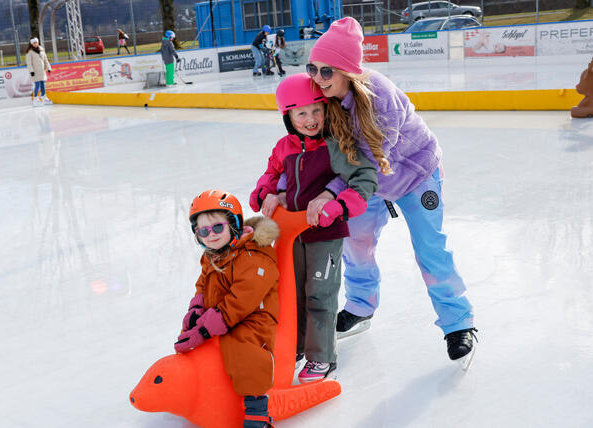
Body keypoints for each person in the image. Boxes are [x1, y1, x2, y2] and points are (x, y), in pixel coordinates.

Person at [305, 17, 477, 363]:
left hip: (415, 175)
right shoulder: (326, 99)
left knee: (430, 248)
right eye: (313, 68)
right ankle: (360, 307)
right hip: (372, 187)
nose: (317, 78)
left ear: (347, 71)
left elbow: (369, 162)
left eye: (327, 71)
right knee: (356, 240)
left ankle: (458, 323)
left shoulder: (379, 94)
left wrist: (331, 192)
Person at [249, 74, 377, 383]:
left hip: (325, 234)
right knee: (292, 294)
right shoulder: (284, 146)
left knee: (320, 295)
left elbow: (361, 179)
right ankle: (294, 346)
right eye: (301, 113)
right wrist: (267, 193)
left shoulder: (335, 143)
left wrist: (335, 205)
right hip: (290, 235)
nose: (311, 119)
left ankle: (322, 358)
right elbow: (272, 173)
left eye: (316, 110)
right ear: (288, 117)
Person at [175, 190, 279, 428]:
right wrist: (196, 310)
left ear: (233, 225)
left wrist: (205, 330)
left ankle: (257, 409)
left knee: (241, 345)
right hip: (221, 313)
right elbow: (203, 284)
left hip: (254, 316)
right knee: (194, 339)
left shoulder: (254, 256)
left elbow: (243, 299)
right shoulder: (211, 255)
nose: (210, 236)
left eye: (217, 228)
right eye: (203, 231)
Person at [25, 37, 52, 107]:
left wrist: (48, 68)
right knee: (37, 84)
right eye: (34, 43)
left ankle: (43, 97)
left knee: (42, 84)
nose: (35, 44)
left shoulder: (41, 49)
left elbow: (45, 60)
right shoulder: (29, 52)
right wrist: (31, 71)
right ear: (31, 43)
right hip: (35, 71)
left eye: (36, 42)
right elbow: (29, 62)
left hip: (42, 71)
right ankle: (35, 99)